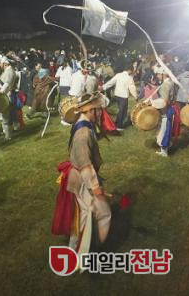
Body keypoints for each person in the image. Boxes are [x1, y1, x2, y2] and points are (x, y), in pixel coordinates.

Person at [65, 93, 111, 256]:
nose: (100, 113)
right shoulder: (83, 133)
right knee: (94, 215)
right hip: (83, 180)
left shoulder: (84, 123)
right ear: (90, 110)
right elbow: (84, 163)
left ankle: (86, 248)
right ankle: (79, 252)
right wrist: (95, 187)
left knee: (88, 214)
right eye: (98, 110)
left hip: (83, 178)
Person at [102, 65, 138, 130]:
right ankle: (119, 126)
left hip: (117, 95)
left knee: (121, 110)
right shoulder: (129, 77)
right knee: (123, 111)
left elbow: (111, 82)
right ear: (129, 70)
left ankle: (117, 122)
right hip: (123, 96)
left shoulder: (118, 75)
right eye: (132, 71)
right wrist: (136, 96)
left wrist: (103, 87)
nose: (132, 72)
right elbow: (132, 88)